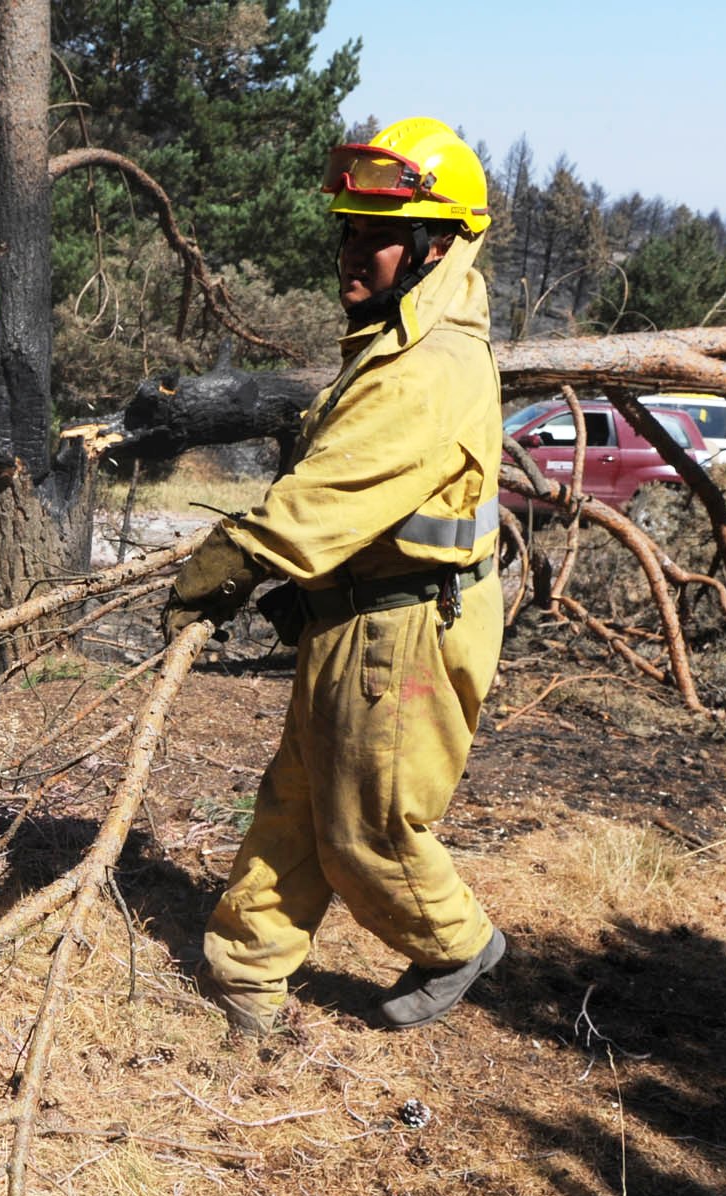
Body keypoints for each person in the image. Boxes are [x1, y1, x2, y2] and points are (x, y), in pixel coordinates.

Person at [161, 117, 505, 1033]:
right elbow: (367, 504)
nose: (353, 252)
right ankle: (245, 977)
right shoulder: (395, 342)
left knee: (370, 832)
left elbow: (325, 497)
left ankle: (458, 940)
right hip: (360, 613)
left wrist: (228, 564)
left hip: (409, 629)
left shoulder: (431, 368)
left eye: (378, 234)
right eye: (348, 229)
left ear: (438, 247)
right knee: (297, 799)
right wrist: (310, 592)